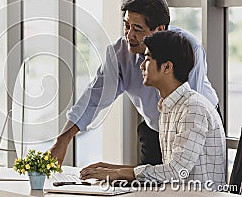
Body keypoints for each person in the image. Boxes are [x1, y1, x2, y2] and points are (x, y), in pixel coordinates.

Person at [50, 0, 220, 166]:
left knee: (186, 187)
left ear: (160, 30)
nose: (129, 35)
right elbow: (94, 98)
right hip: (155, 128)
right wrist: (63, 139)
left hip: (196, 125)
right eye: (126, 26)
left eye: (137, 29)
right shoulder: (119, 54)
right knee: (147, 190)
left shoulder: (189, 49)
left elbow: (191, 104)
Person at [80, 31, 226, 189]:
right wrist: (112, 169)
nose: (141, 65)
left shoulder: (193, 108)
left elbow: (177, 171)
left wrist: (119, 173)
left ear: (167, 67)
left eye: (148, 59)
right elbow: (169, 170)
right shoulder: (169, 106)